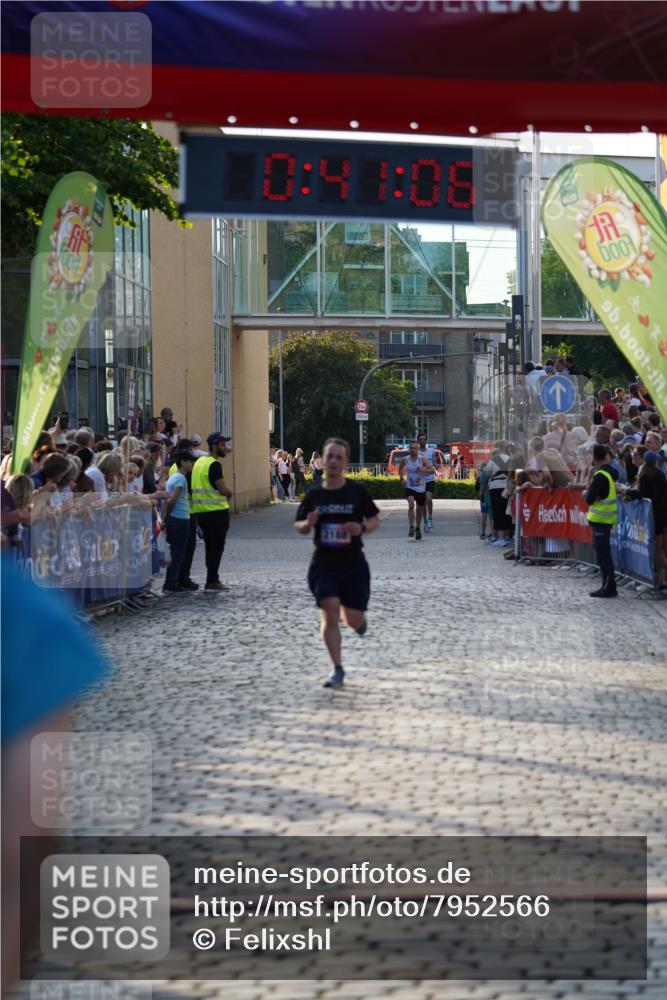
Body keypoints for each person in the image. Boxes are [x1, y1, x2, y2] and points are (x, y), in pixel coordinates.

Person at [295, 437, 380, 689]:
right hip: (324, 564)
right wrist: (308, 524)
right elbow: (299, 526)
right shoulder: (315, 495)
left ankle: (358, 621)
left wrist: (362, 527)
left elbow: (375, 519)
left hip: (353, 563)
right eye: (329, 456)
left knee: (352, 620)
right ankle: (337, 668)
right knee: (330, 610)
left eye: (338, 457)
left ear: (345, 463)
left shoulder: (356, 492)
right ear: (322, 459)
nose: (333, 461)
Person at [191, 432, 233, 593]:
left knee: (210, 547)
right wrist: (229, 494)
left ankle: (212, 578)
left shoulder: (200, 462)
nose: (225, 448)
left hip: (201, 513)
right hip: (216, 513)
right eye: (223, 445)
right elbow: (222, 489)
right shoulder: (214, 465)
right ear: (214, 446)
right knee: (216, 548)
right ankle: (212, 581)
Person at [585, 444, 619, 598]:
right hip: (605, 520)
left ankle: (609, 586)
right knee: (603, 555)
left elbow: (590, 498)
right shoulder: (607, 473)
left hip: (601, 520)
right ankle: (608, 584)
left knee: (603, 555)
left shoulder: (600, 475)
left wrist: (587, 493)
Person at [163, 451, 196, 594]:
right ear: (183, 462)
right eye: (190, 461)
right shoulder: (180, 479)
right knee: (178, 552)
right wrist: (166, 517)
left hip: (177, 518)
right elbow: (172, 500)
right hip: (179, 519)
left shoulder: (175, 477)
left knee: (176, 551)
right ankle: (171, 582)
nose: (192, 464)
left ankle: (171, 581)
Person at [398, 439, 433, 541]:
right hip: (410, 487)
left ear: (417, 449)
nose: (413, 450)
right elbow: (400, 469)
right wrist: (401, 479)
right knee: (411, 504)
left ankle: (417, 527)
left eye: (415, 448)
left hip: (421, 489)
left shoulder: (422, 460)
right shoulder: (406, 459)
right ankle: (411, 527)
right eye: (411, 448)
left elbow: (433, 470)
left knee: (419, 511)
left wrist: (424, 470)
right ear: (409, 449)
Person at [417, 432, 440, 531]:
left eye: (424, 439)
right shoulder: (416, 453)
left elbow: (435, 464)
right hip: (421, 480)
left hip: (430, 479)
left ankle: (430, 518)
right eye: (420, 439)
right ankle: (425, 521)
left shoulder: (431, 451)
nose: (422, 441)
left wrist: (436, 466)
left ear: (426, 440)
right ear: (418, 441)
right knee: (423, 503)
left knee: (429, 499)